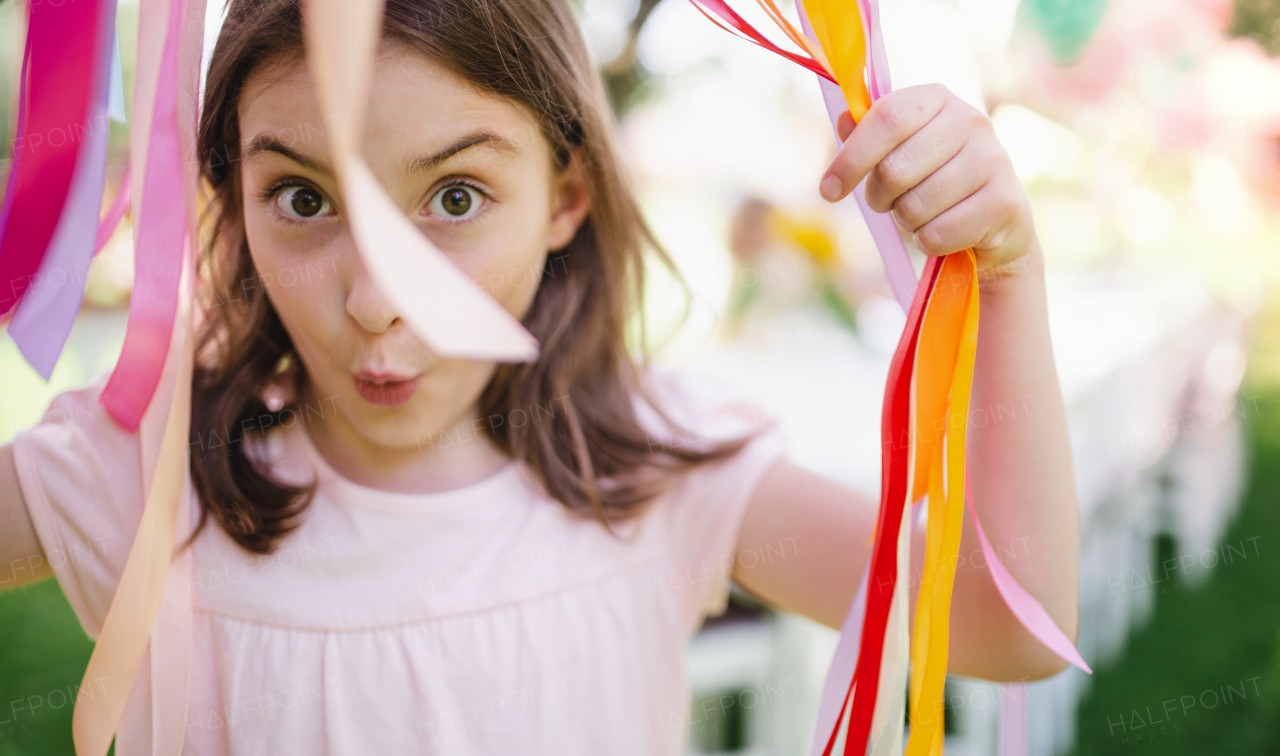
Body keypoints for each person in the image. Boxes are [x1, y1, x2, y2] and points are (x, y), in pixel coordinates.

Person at [0, 0, 1081, 752]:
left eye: (455, 197)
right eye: (304, 197)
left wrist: (1004, 277)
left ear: (565, 195)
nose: (378, 300)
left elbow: (1001, 621)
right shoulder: (143, 483)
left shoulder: (663, 476)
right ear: (230, 193)